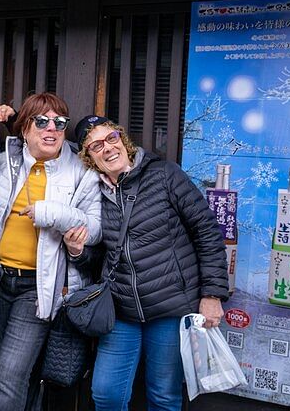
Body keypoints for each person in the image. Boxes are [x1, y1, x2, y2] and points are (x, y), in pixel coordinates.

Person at [68, 114, 229, 411]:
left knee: (163, 396)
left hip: (170, 307)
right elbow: (102, 258)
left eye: (111, 138)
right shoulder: (93, 194)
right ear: (89, 158)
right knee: (106, 394)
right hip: (121, 310)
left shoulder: (164, 174)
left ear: (123, 139)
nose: (107, 148)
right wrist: (78, 252)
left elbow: (207, 232)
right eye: (95, 146)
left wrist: (212, 295)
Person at [0, 94, 102, 411]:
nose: (52, 129)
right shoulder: (7, 160)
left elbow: (95, 226)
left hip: (38, 288)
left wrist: (51, 212)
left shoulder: (80, 169)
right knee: (23, 373)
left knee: (8, 377)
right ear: (25, 129)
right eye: (42, 122)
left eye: (59, 123)